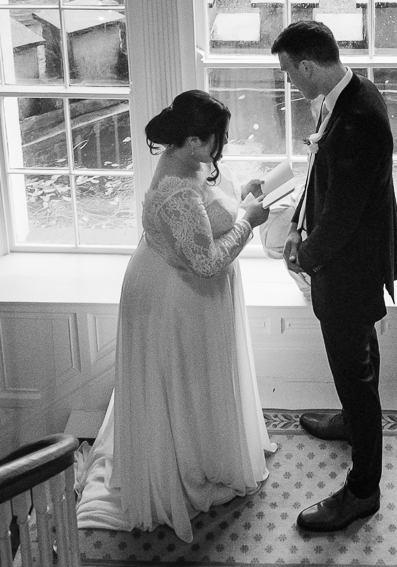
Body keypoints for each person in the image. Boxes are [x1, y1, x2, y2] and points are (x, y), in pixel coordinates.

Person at [76, 90, 273, 541]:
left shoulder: (186, 164)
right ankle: (185, 468)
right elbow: (205, 261)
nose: (218, 149)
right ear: (190, 140)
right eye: (213, 140)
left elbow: (206, 216)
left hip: (182, 286)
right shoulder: (176, 191)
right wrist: (249, 221)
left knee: (194, 381)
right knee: (184, 382)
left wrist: (239, 199)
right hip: (174, 297)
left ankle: (204, 452)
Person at [257, 21, 397, 535]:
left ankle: (363, 491)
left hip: (350, 267)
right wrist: (300, 220)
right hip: (351, 257)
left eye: (288, 72)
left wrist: (304, 254)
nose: (289, 83)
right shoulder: (351, 91)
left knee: (355, 373)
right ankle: (351, 420)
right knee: (360, 358)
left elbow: (344, 215)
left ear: (307, 65)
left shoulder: (359, 117)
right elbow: (330, 180)